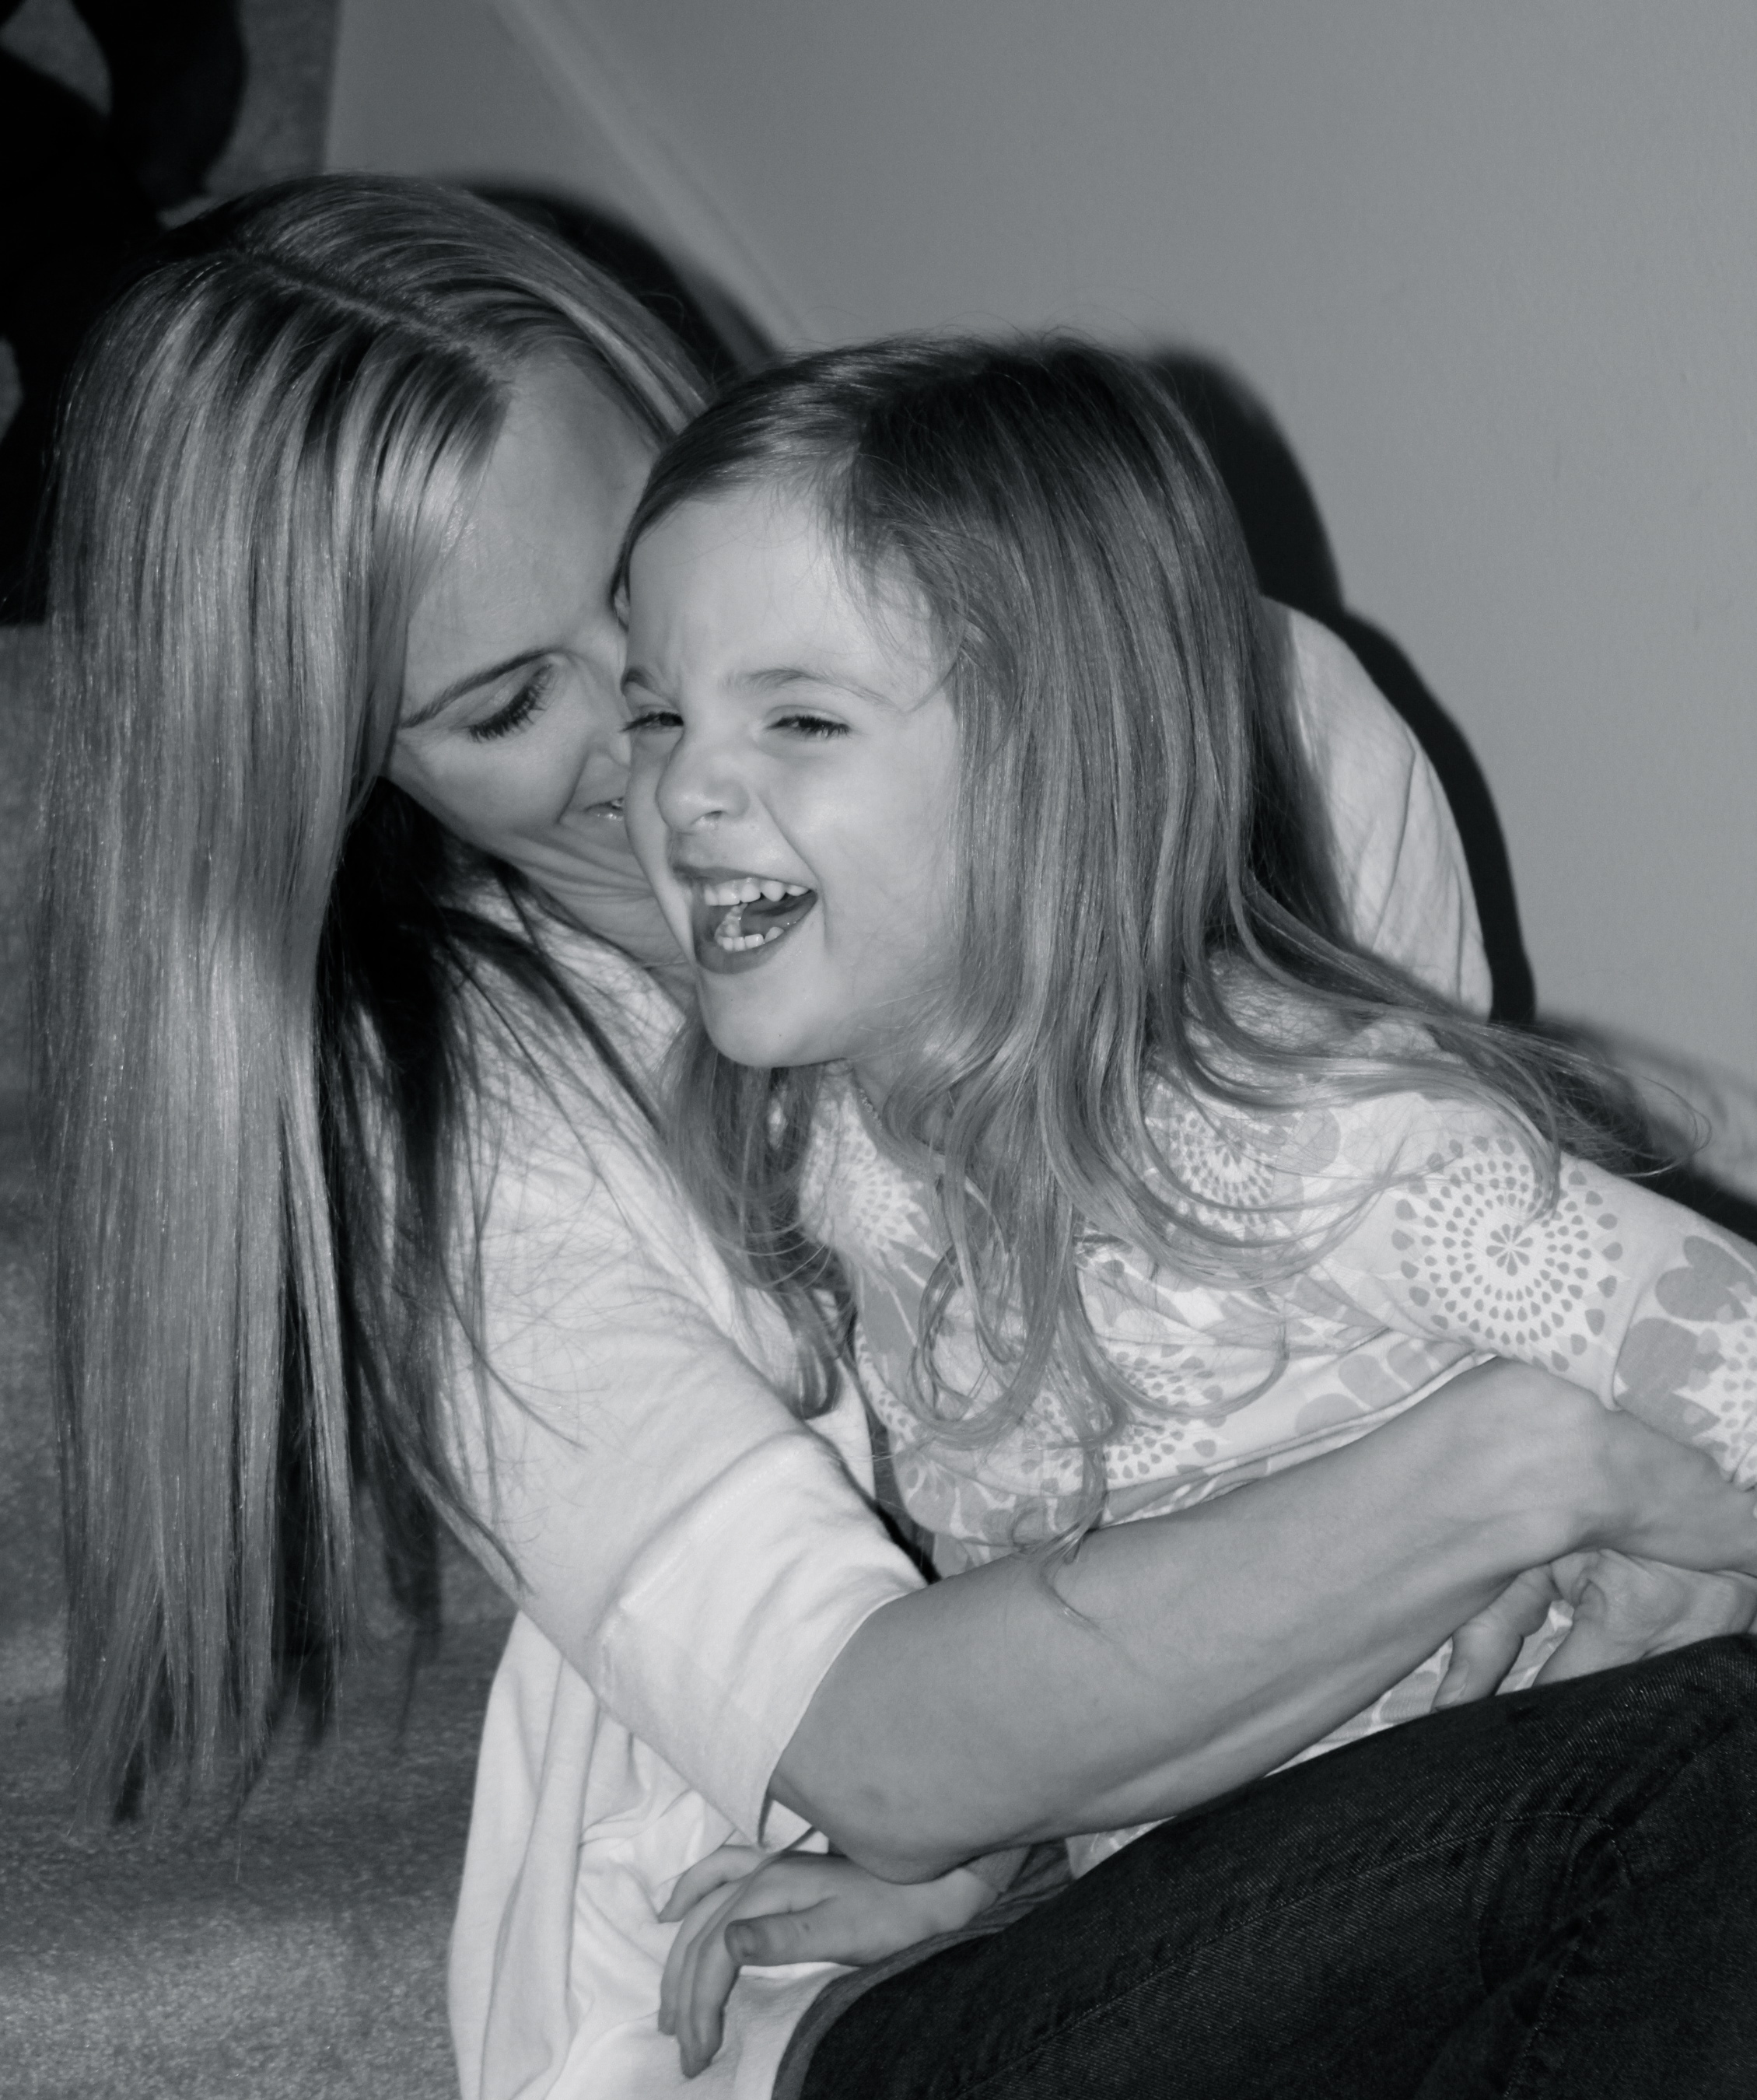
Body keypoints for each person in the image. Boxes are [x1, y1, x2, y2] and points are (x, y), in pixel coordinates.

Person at [34, 174, 1757, 2100]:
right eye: (513, 703)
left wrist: (1646, 1538)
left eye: (649, 621)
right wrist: (1534, 1463)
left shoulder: (1244, 728)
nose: (669, 770)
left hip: (1408, 1805)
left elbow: (1535, 1339)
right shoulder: (464, 1114)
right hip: (906, 1959)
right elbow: (881, 1752)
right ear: (352, 774)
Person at [619, 337, 1757, 2081]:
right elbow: (1051, 1579)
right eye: (657, 712)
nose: (684, 788)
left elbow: (1731, 1363)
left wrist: (1690, 1545)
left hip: (1555, 1873)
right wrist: (966, 1859)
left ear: (1057, 769)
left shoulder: (1324, 1136)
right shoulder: (851, 1158)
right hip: (1266, 1917)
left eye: (799, 719)